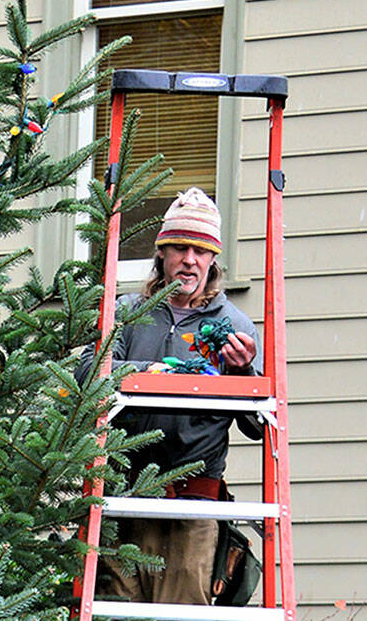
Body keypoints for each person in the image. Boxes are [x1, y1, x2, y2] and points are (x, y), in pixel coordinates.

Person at [77, 187, 261, 603]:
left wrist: (241, 373)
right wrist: (149, 372)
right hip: (122, 498)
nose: (189, 260)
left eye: (200, 249)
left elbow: (258, 427)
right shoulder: (126, 312)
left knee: (181, 614)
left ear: (213, 258)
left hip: (193, 506)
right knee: (114, 610)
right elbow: (88, 373)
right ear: (161, 252)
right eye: (179, 247)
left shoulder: (236, 327)